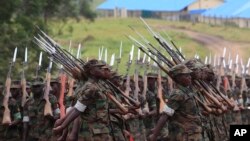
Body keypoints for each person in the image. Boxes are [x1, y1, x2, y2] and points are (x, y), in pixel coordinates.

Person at [53, 59, 113, 141]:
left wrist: (62, 122)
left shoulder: (97, 85)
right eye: (99, 68)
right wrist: (63, 126)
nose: (102, 69)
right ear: (91, 71)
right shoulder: (92, 88)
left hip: (101, 130)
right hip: (93, 132)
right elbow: (77, 109)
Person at [149, 64, 202, 141]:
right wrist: (154, 136)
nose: (190, 77)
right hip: (184, 135)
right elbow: (165, 115)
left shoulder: (186, 92)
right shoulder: (177, 94)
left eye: (189, 75)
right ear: (178, 78)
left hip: (192, 133)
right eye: (186, 76)